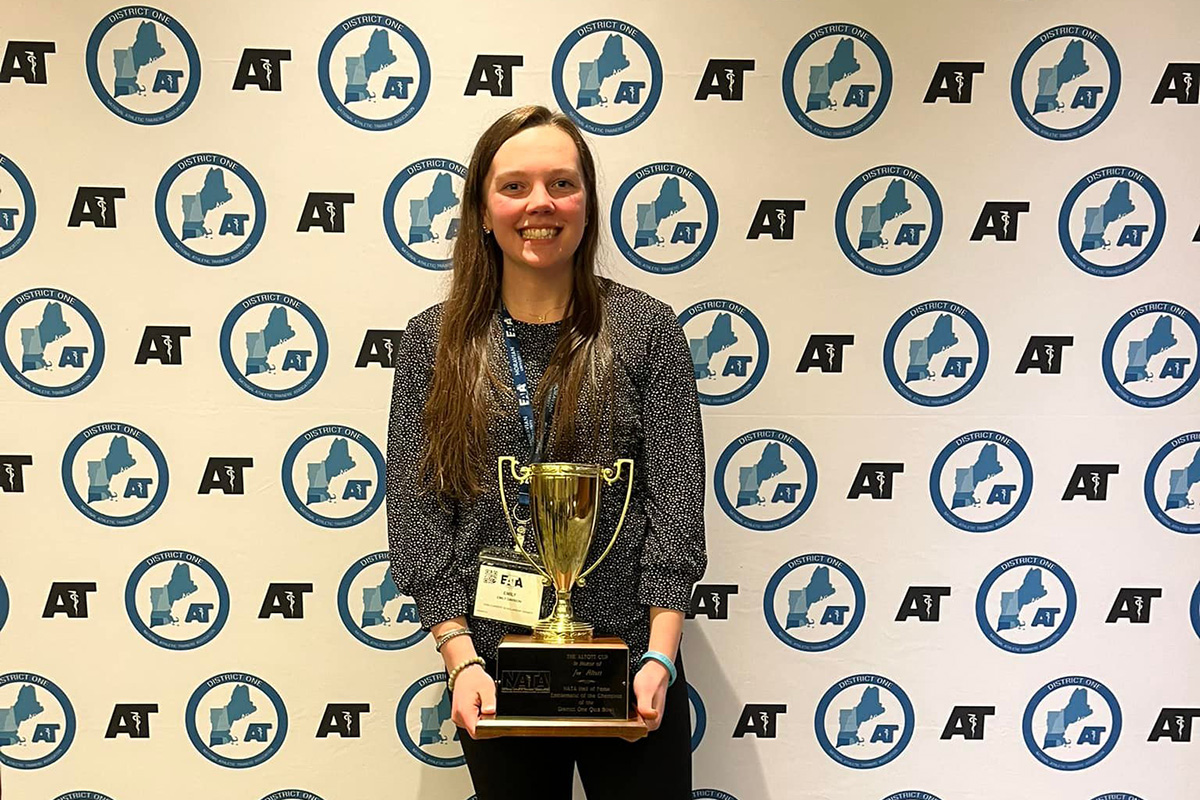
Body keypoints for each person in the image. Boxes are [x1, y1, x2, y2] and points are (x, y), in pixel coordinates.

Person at [386, 105, 706, 799]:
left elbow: (677, 506)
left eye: (562, 184)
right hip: (495, 675)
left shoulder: (646, 329)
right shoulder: (431, 344)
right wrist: (460, 659)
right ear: (481, 208)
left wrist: (660, 656)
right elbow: (417, 518)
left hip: (631, 669)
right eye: (515, 186)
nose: (540, 203)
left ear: (588, 204)